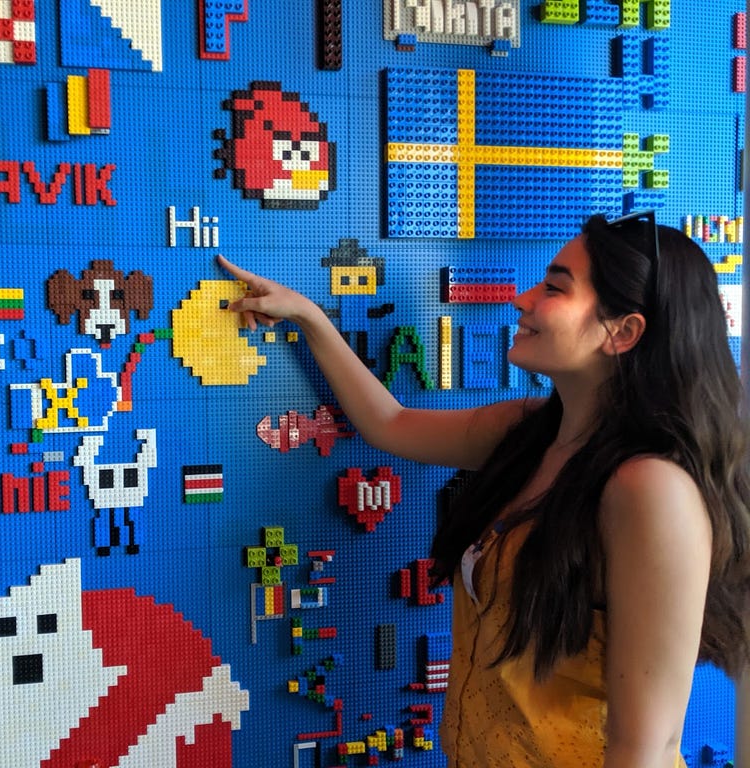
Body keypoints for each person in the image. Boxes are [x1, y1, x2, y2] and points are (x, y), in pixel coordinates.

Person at [218, 212, 750, 768]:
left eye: (554, 287)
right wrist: (308, 316)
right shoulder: (527, 433)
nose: (522, 299)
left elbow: (645, 748)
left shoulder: (650, 489)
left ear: (623, 333)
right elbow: (391, 423)